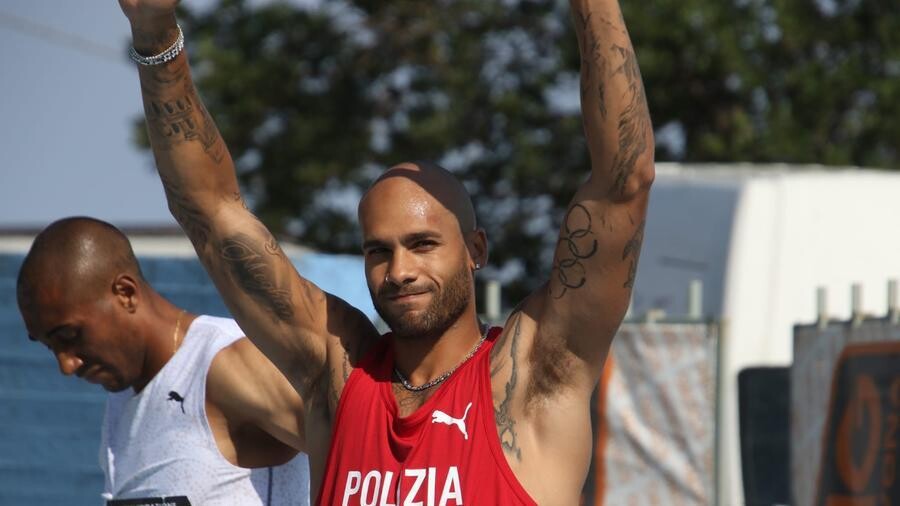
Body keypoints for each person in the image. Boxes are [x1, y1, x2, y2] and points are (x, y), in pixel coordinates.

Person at [117, 0, 654, 503]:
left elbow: (623, 181)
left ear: (476, 249)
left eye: (423, 244)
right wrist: (156, 36)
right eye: (378, 251)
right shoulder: (339, 376)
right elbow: (210, 214)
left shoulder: (531, 379)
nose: (400, 271)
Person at [16, 217, 311, 506]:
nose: (67, 365)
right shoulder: (123, 400)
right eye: (51, 347)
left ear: (126, 293)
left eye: (69, 336)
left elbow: (341, 444)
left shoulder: (226, 363)